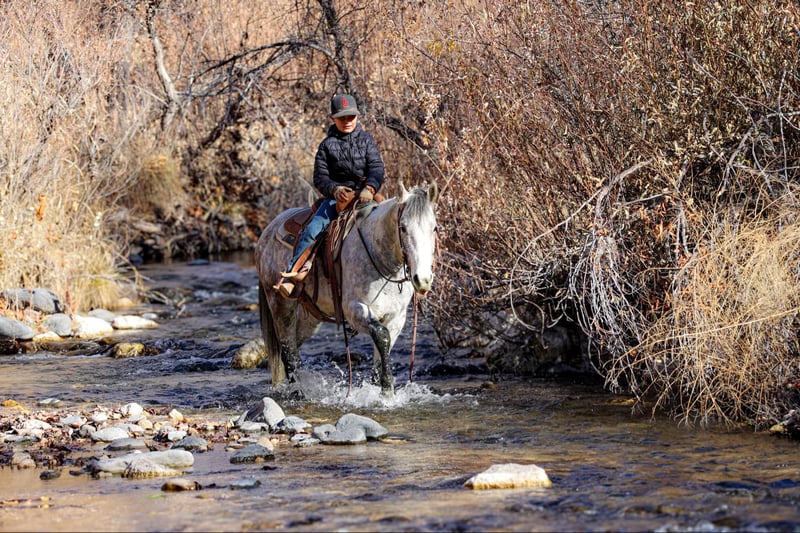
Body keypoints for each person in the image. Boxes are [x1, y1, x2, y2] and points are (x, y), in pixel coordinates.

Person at [274, 93, 386, 299]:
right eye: (342, 117)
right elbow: (320, 177)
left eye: (351, 116)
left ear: (357, 117)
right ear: (332, 118)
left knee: (392, 222)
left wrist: (370, 187)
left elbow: (377, 168)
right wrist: (334, 189)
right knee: (312, 229)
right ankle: (293, 275)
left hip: (366, 195)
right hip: (337, 199)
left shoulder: (367, 140)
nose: (347, 121)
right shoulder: (327, 145)